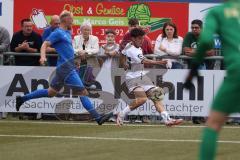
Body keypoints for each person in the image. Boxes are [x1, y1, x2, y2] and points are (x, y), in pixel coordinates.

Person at [15, 10, 113, 125]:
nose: (73, 21)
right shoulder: (58, 33)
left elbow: (67, 49)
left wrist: (74, 60)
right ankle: (98, 118)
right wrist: (42, 57)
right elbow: (44, 45)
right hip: (66, 68)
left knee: (51, 92)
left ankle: (22, 99)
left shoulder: (68, 31)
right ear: (66, 20)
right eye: (72, 18)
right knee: (83, 92)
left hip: (67, 66)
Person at [184, 1, 240, 159]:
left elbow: (207, 40)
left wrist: (194, 69)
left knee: (213, 124)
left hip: (237, 69)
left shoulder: (218, 12)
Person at [116, 27, 183, 126]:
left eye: (142, 38)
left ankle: (167, 119)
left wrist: (123, 63)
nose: (142, 41)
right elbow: (144, 61)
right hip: (132, 78)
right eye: (139, 39)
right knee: (142, 99)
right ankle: (121, 114)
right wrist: (161, 62)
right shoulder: (133, 50)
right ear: (133, 39)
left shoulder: (129, 45)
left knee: (157, 94)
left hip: (142, 77)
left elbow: (122, 53)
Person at [72, 20, 99, 84]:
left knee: (88, 82)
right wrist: (79, 52)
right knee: (77, 80)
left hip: (91, 63)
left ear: (90, 31)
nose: (86, 31)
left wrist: (86, 52)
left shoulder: (95, 38)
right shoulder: (76, 38)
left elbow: (96, 50)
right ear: (81, 30)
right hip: (78, 63)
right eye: (84, 29)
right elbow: (72, 49)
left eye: (88, 30)